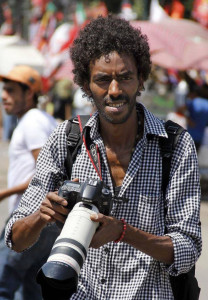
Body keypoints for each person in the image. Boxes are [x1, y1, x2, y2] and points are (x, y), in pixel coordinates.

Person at [5, 16, 202, 300]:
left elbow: (187, 248)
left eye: (125, 77)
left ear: (141, 78)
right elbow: (17, 239)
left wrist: (122, 232)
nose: (114, 90)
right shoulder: (67, 139)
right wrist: (41, 215)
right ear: (85, 83)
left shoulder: (175, 145)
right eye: (102, 79)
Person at [0, 65, 59, 300]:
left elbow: (46, 174)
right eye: (4, 90)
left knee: (3, 283)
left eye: (11, 91)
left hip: (30, 219)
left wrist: (5, 193)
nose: (4, 96)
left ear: (29, 94)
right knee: (32, 289)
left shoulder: (33, 121)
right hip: (44, 221)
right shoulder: (41, 118)